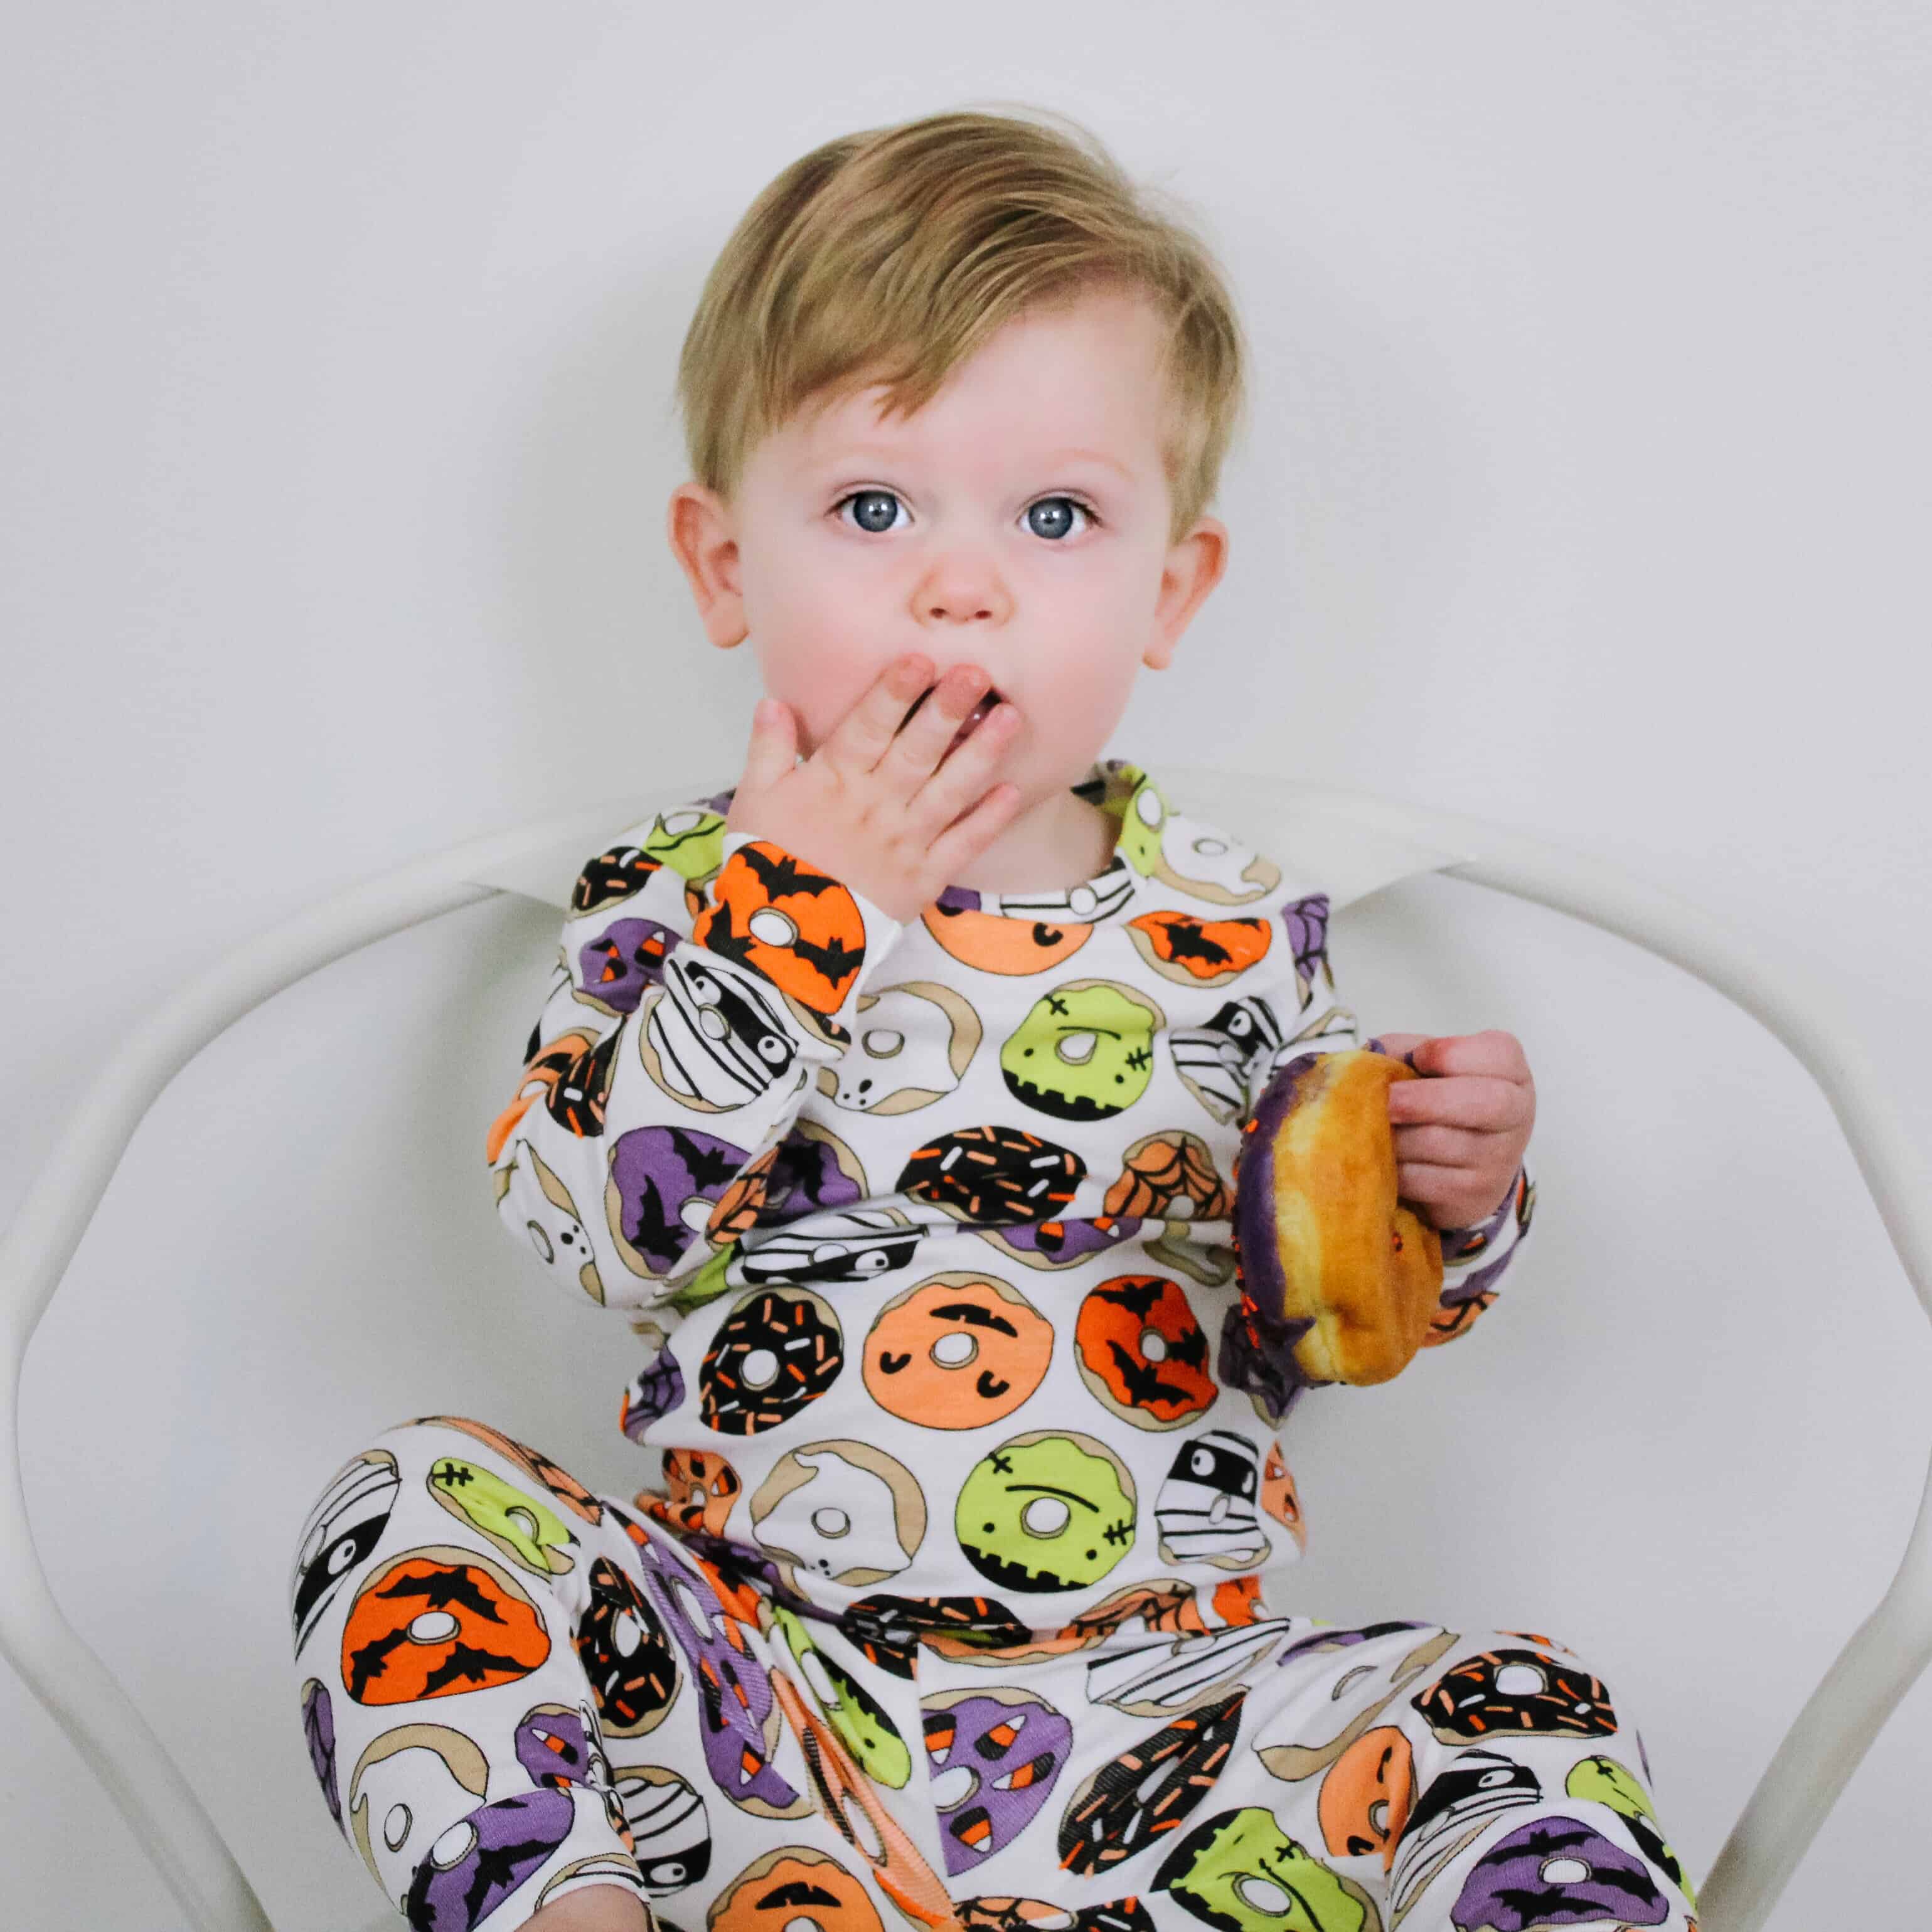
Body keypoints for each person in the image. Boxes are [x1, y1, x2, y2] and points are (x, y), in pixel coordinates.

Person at [289, 106, 1697, 1932]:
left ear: (1167, 588)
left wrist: (1458, 1194)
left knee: (1525, 1716)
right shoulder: (677, 892)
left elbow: (1330, 1314)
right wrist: (801, 912)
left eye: (1057, 515)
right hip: (769, 1724)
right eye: (875, 508)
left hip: (1172, 1746)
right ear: (725, 567)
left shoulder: (1236, 930)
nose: (965, 581)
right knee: (411, 1511)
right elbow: (592, 1222)